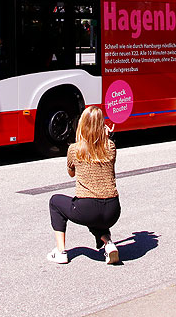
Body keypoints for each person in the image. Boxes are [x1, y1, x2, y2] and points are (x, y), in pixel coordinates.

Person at [47, 106, 121, 265]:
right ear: (102, 125)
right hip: (113, 210)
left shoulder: (74, 149)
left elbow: (71, 173)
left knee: (56, 202)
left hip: (88, 208)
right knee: (93, 213)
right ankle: (108, 244)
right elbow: (105, 154)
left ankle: (60, 252)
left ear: (82, 124)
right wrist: (107, 138)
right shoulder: (111, 147)